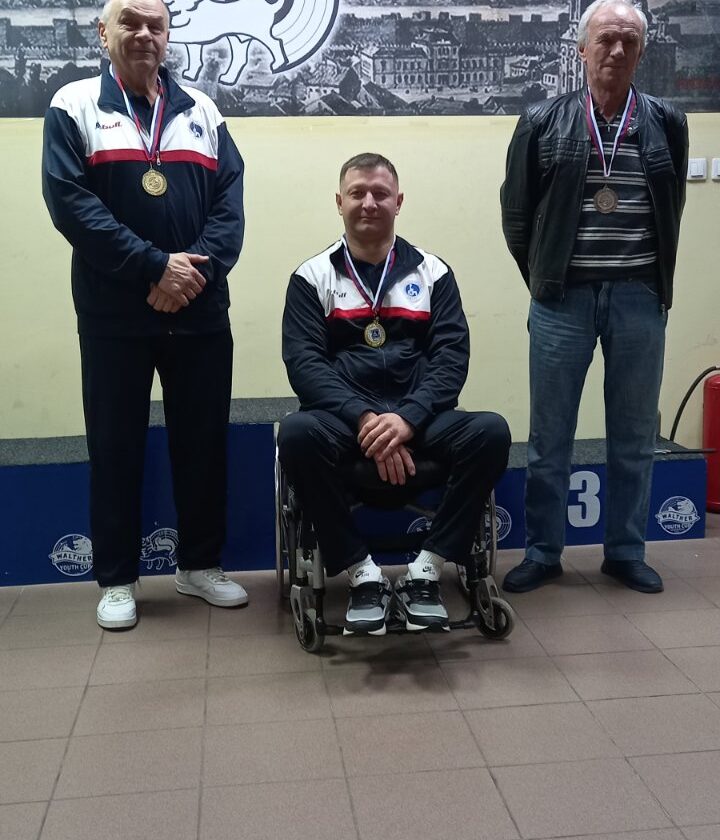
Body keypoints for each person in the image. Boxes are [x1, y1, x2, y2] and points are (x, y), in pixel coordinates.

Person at [41, 0, 247, 629]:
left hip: (199, 311)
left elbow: (229, 209)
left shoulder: (204, 111)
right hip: (115, 315)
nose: (143, 34)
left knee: (203, 442)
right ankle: (116, 579)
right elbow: (71, 205)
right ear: (103, 32)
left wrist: (188, 277)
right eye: (129, 22)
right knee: (115, 445)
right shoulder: (74, 105)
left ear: (168, 35)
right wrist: (155, 267)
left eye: (155, 24)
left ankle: (200, 565)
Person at [278, 153, 511, 635]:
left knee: (491, 431)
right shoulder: (311, 277)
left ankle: (426, 570)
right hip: (346, 427)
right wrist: (365, 419)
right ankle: (361, 573)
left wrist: (407, 419)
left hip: (420, 421)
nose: (369, 202)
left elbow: (451, 359)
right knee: (296, 434)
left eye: (380, 193)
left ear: (398, 202)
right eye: (357, 193)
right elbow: (306, 367)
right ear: (339, 202)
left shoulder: (433, 273)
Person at [500, 0, 688, 594]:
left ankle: (626, 551)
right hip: (562, 302)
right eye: (606, 38)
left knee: (634, 436)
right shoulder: (541, 120)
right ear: (581, 49)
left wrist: (652, 286)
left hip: (639, 300)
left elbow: (672, 208)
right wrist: (544, 279)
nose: (617, 50)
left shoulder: (667, 121)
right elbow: (516, 214)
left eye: (629, 40)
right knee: (550, 437)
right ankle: (542, 552)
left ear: (642, 51)